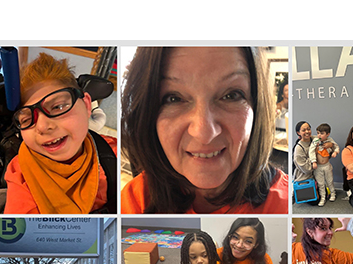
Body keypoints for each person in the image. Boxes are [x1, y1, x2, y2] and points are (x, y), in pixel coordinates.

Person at [121, 47, 287, 214]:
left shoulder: (287, 205)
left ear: (256, 107)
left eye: (231, 95)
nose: (204, 133)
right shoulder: (134, 201)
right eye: (174, 98)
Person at [3, 53, 117, 214]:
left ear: (86, 105)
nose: (43, 127)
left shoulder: (111, 151)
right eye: (27, 119)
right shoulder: (21, 177)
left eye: (58, 107)